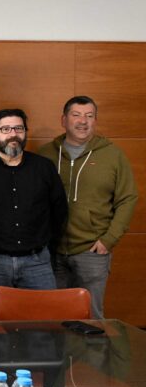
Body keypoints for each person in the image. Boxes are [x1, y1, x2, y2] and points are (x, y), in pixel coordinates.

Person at [37, 96, 138, 319]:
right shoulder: (45, 154)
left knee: (91, 318)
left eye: (89, 116)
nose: (83, 121)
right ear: (63, 120)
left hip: (92, 251)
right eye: (76, 115)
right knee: (53, 317)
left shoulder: (112, 155)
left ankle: (93, 345)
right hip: (51, 251)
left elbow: (128, 198)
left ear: (95, 121)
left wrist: (109, 240)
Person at [0, 108, 68, 317]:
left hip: (37, 262)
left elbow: (59, 211)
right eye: (5, 129)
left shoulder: (44, 167)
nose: (13, 134)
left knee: (44, 325)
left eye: (18, 128)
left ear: (26, 132)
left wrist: (46, 245)